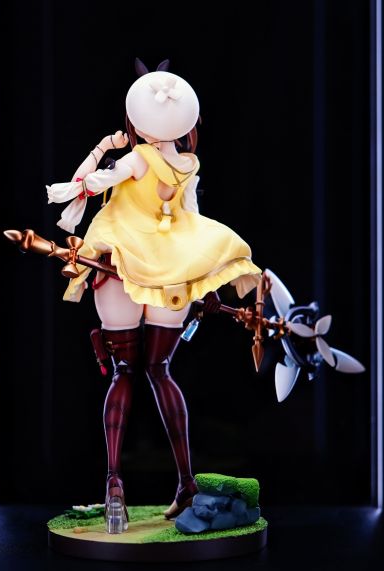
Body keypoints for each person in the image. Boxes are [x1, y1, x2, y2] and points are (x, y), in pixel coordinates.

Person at [46, 62, 262, 533]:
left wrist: (102, 150)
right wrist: (205, 281)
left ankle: (114, 483)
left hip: (122, 262)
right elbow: (193, 221)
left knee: (125, 371)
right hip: (171, 274)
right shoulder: (189, 165)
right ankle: (185, 482)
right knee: (160, 370)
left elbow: (90, 184)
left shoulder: (138, 157)